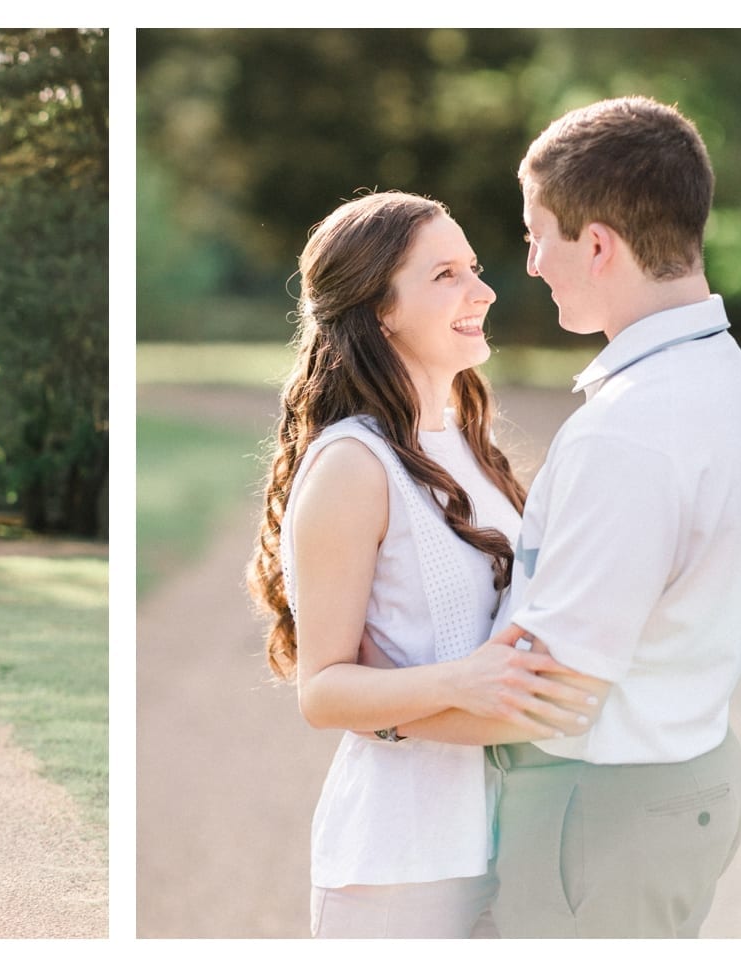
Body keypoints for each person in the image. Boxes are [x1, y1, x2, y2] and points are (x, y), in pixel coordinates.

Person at [247, 190, 602, 938]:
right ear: (381, 310)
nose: (483, 289)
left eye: (473, 267)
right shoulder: (353, 464)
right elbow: (324, 690)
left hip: (507, 845)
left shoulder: (472, 446)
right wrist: (455, 683)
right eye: (445, 275)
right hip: (399, 862)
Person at [477, 95, 741, 938]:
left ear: (599, 243)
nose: (531, 262)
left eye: (538, 235)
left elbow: (557, 690)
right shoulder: (725, 374)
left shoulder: (634, 428)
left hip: (600, 811)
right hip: (672, 776)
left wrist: (371, 705)